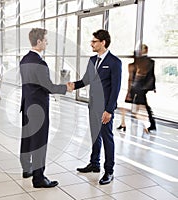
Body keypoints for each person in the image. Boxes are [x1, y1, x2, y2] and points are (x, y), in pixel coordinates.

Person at [20, 28, 72, 188]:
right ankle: (38, 178)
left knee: (27, 138)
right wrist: (65, 88)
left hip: (27, 104)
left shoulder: (24, 60)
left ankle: (26, 168)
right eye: (46, 40)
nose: (47, 42)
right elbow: (48, 87)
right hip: (39, 109)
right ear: (39, 41)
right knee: (39, 142)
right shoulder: (39, 62)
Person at [68, 29, 122, 185]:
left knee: (107, 138)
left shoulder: (114, 62)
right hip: (93, 105)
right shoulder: (92, 60)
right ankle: (94, 164)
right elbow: (86, 80)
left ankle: (109, 171)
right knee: (94, 136)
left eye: (94, 41)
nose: (91, 44)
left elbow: (115, 88)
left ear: (103, 42)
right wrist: (73, 85)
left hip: (105, 108)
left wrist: (109, 110)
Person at [129, 44, 156, 133]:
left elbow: (151, 75)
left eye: (141, 49)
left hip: (141, 87)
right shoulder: (139, 60)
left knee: (142, 104)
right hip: (136, 85)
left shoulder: (149, 61)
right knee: (141, 104)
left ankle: (150, 124)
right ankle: (150, 123)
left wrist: (151, 86)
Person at [117, 51, 137, 132]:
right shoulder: (133, 66)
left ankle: (123, 124)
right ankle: (123, 123)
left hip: (136, 89)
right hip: (136, 89)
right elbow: (130, 79)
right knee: (124, 107)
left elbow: (130, 79)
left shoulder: (132, 66)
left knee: (128, 108)